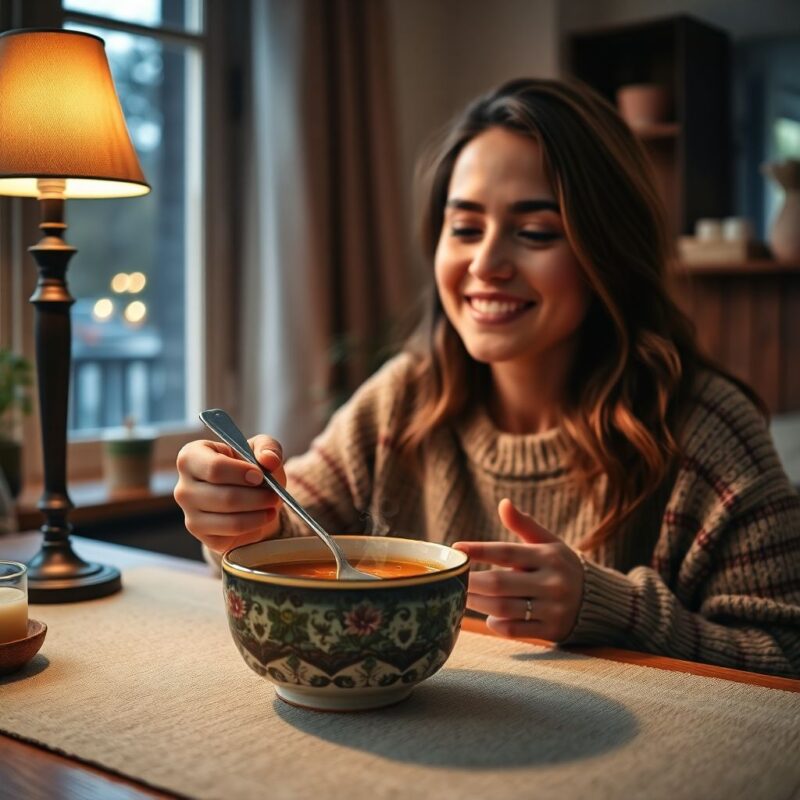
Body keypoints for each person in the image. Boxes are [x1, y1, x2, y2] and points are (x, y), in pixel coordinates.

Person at [174, 78, 800, 677]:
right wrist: (244, 517)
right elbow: (291, 525)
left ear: (607, 249)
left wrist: (616, 610)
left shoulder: (706, 432)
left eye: (534, 232)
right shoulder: (404, 401)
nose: (486, 263)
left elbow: (785, 656)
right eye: (465, 228)